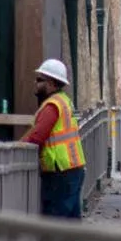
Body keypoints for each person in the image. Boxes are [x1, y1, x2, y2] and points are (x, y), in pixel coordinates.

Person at [20, 58, 87, 219]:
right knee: (70, 221)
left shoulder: (52, 106)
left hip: (60, 171)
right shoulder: (63, 101)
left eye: (39, 80)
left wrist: (18, 148)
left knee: (54, 222)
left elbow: (37, 135)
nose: (35, 83)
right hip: (72, 167)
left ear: (50, 83)